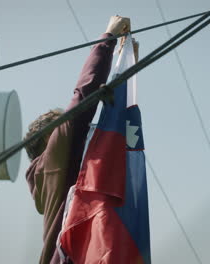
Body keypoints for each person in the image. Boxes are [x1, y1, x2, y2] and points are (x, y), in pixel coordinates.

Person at [24, 16, 136, 264]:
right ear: (48, 142)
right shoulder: (53, 160)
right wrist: (107, 38)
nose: (84, 137)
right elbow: (81, 103)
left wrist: (125, 67)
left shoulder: (56, 177)